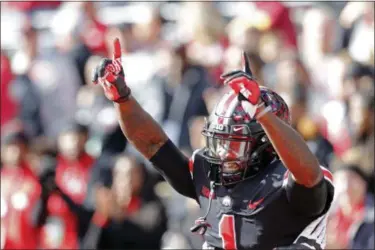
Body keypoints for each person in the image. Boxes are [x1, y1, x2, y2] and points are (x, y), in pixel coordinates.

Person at [91, 39, 335, 249]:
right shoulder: (208, 172)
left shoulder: (291, 180)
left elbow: (309, 177)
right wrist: (123, 99)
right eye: (220, 140)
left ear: (266, 142)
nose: (222, 151)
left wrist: (262, 113)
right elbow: (153, 144)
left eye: (235, 142)